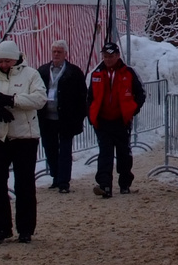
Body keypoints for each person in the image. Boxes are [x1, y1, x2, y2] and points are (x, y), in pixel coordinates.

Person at [0, 40, 47, 245]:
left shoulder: (31, 74)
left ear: (16, 59)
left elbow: (39, 99)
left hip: (25, 137)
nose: (3, 64)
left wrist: (13, 100)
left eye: (7, 60)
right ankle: (1, 228)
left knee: (24, 184)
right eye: (0, 61)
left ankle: (25, 229)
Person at [88, 41, 147, 197]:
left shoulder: (128, 72)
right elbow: (90, 97)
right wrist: (91, 114)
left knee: (123, 153)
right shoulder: (97, 73)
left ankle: (125, 183)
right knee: (105, 154)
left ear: (117, 56)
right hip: (103, 121)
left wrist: (132, 110)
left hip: (122, 120)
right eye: (105, 56)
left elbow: (141, 93)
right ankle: (104, 185)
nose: (108, 60)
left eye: (111, 56)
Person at [38, 40, 88, 194]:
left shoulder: (74, 72)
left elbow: (82, 96)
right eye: (54, 51)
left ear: (66, 54)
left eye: (59, 51)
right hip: (47, 118)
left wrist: (80, 116)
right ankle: (55, 176)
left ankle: (64, 181)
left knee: (65, 150)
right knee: (50, 148)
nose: (56, 54)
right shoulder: (43, 71)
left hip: (66, 118)